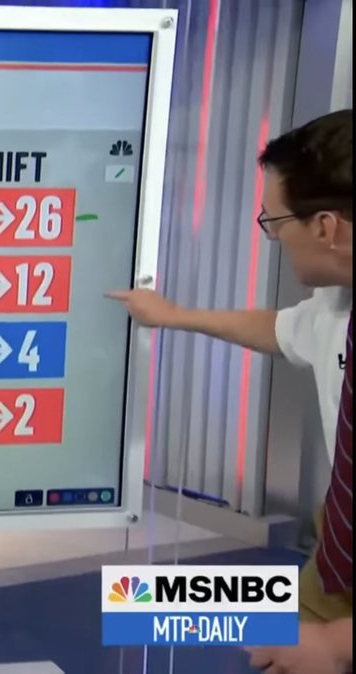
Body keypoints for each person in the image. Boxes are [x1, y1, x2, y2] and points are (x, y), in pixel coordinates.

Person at [108, 109, 352, 674]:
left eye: (276, 221)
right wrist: (175, 316)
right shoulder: (336, 302)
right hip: (337, 553)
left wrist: (335, 647)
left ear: (326, 228)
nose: (273, 236)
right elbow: (283, 330)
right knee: (136, 605)